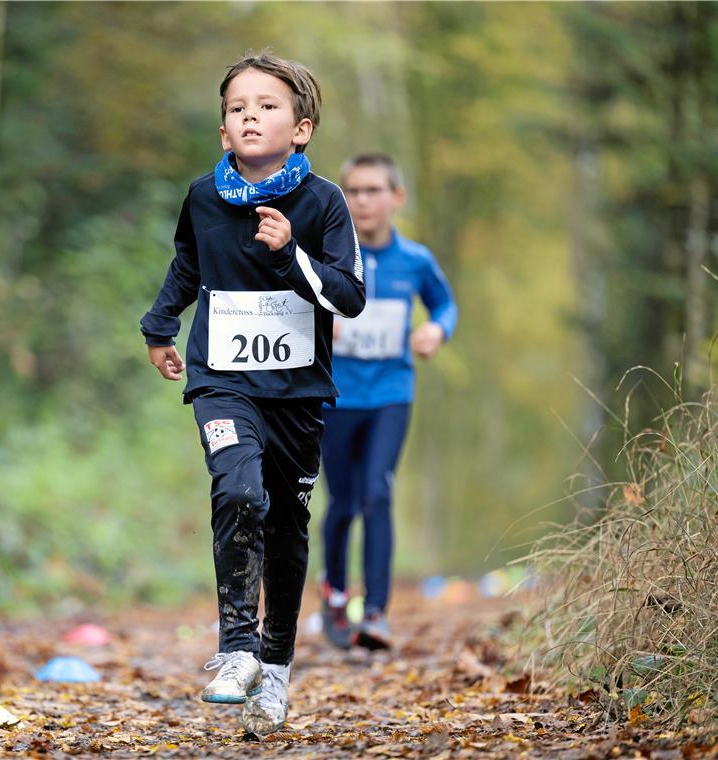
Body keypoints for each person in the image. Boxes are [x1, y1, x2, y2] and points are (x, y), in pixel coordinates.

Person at [141, 51, 365, 736]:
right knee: (238, 491)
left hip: (296, 394)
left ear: (301, 128)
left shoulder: (323, 202)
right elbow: (188, 261)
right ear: (222, 132)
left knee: (287, 530)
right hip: (222, 381)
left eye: (266, 106)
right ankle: (236, 647)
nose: (249, 116)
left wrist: (292, 253)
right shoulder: (203, 197)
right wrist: (159, 326)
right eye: (238, 108)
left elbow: (350, 297)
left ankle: (274, 669)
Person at [318, 153, 457, 651]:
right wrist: (319, 322)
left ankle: (375, 613)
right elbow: (289, 298)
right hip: (334, 396)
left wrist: (435, 330)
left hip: (391, 395)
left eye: (373, 190)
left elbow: (445, 303)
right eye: (353, 191)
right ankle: (335, 591)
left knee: (377, 493)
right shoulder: (326, 254)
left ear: (396, 198)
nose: (361, 200)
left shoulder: (415, 260)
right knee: (342, 502)